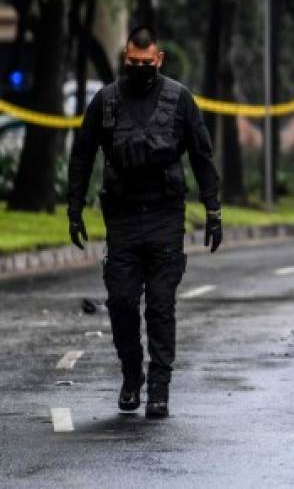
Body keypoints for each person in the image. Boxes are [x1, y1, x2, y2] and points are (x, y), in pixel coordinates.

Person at [66, 26, 222, 419]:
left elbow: (202, 156)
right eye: (133, 63)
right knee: (120, 301)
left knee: (160, 304)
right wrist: (73, 208)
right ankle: (132, 374)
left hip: (165, 214)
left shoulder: (179, 99)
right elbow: (82, 155)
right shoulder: (106, 101)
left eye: (147, 63)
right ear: (124, 58)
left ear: (160, 59)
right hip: (121, 216)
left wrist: (213, 211)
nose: (140, 69)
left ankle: (159, 386)